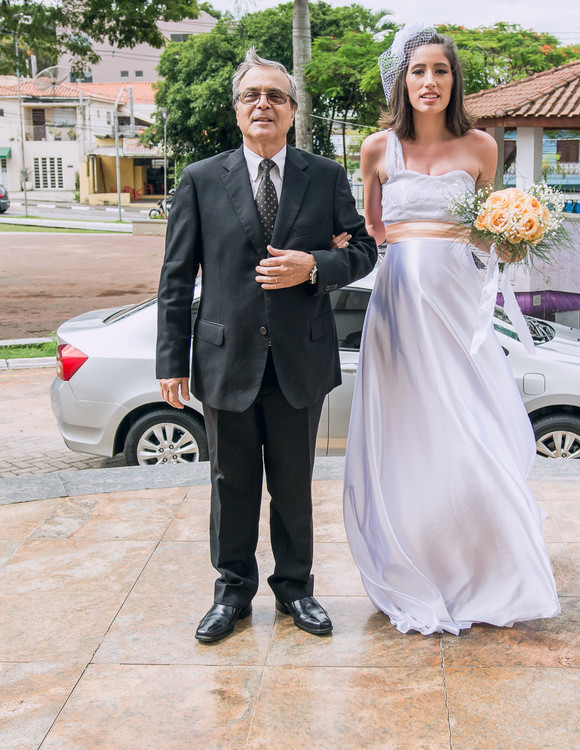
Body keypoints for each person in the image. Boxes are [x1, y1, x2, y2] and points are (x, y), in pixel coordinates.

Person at [342, 27, 560, 635]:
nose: (429, 82)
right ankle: (416, 559)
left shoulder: (482, 148)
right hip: (397, 313)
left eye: (440, 71)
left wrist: (514, 240)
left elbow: (488, 234)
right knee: (411, 436)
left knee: (472, 432)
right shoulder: (376, 149)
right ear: (401, 81)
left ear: (453, 80)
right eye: (418, 72)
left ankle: (492, 569)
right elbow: (373, 232)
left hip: (459, 310)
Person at [156, 48, 378, 644]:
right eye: (253, 95)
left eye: (275, 96)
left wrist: (314, 265)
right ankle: (231, 595)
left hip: (299, 359)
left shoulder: (324, 176)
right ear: (237, 110)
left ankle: (296, 591)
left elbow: (362, 251)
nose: (264, 105)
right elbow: (177, 275)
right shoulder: (201, 179)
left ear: (292, 111)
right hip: (225, 358)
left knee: (293, 483)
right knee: (230, 487)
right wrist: (171, 359)